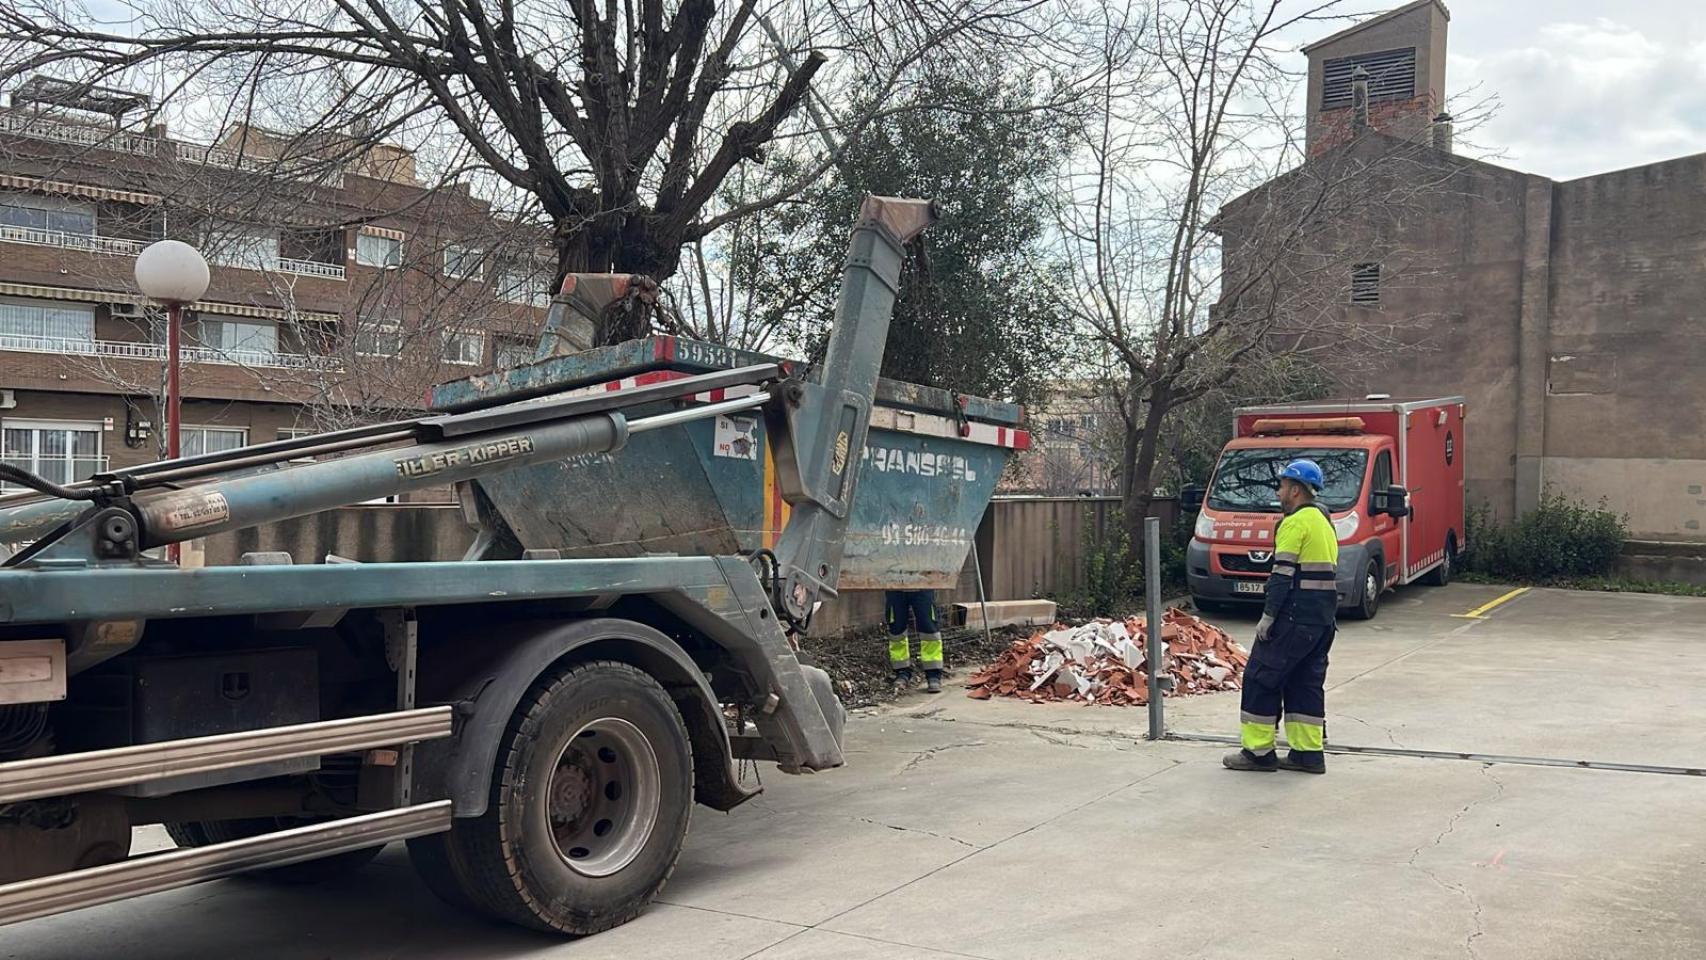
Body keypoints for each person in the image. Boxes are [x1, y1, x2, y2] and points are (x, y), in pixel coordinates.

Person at [1224, 459, 1340, 774]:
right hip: (1322, 620)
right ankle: (1308, 754)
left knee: (1261, 677)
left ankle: (1258, 753)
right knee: (1305, 683)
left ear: (1296, 489)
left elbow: (1281, 576)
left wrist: (1268, 616)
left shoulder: (1295, 522)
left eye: (1282, 486)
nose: (1278, 492)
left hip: (1293, 616)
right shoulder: (1324, 522)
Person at [886, 589, 944, 693]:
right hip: (894, 586)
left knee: (929, 629)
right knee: (896, 631)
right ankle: (902, 672)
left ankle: (933, 674)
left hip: (924, 585)